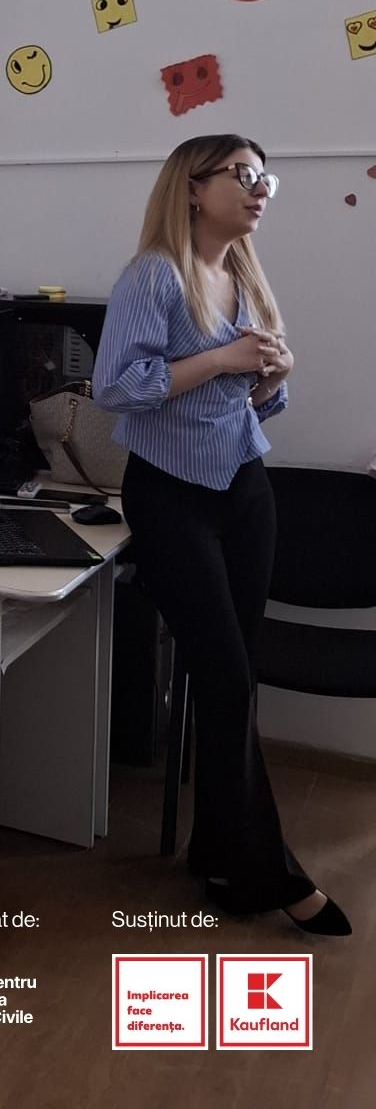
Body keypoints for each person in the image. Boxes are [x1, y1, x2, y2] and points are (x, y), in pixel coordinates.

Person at [92, 133, 350, 936]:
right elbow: (114, 388)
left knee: (231, 680)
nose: (259, 188)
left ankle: (219, 856)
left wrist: (270, 378)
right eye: (243, 174)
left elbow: (248, 402)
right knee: (228, 678)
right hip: (171, 497)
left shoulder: (243, 274)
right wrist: (223, 358)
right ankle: (273, 875)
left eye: (264, 176)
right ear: (193, 188)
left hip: (244, 488)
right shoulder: (154, 275)